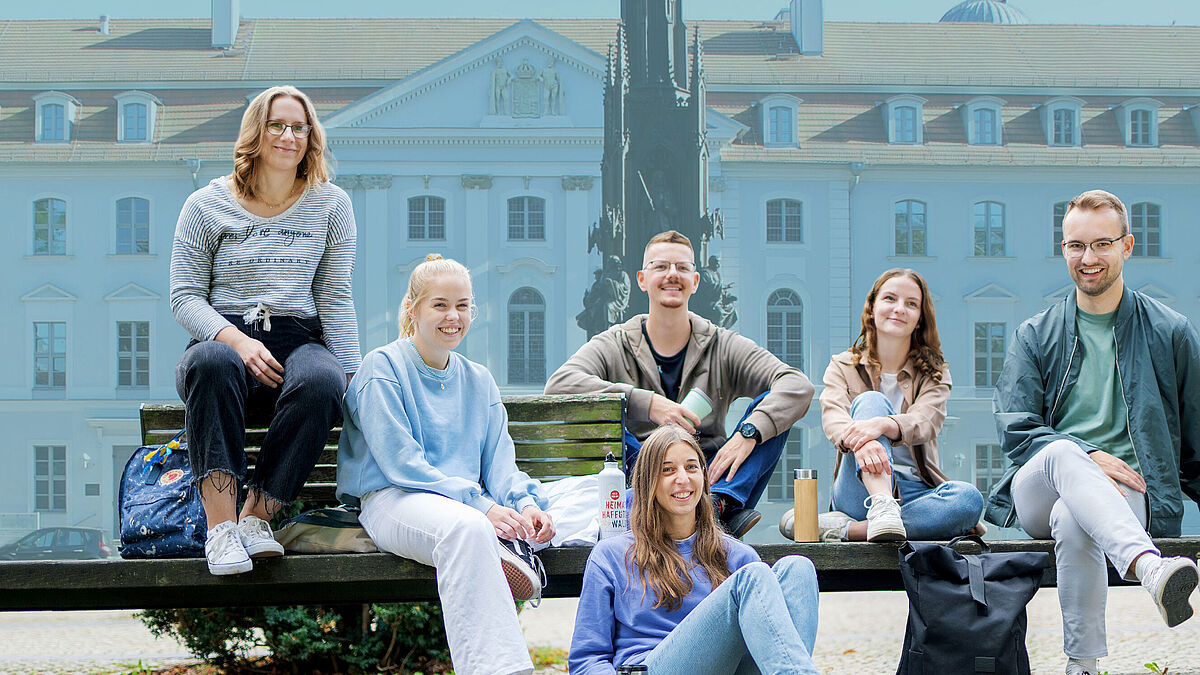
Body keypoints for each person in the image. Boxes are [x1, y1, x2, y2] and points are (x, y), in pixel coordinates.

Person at [987, 190, 1200, 675]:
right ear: (1063, 249)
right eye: (1075, 246)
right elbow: (1017, 431)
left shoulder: (1172, 332)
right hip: (1039, 483)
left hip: (1129, 494)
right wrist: (1088, 454)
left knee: (1073, 517)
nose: (1088, 258)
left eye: (1101, 244)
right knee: (1064, 456)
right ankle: (1150, 568)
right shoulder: (1035, 334)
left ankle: (1081, 665)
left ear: (1127, 247)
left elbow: (1197, 438)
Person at [170, 85, 358, 576]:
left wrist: (355, 380)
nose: (288, 135)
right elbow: (184, 297)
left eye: (300, 127)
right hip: (223, 344)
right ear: (257, 132)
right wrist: (236, 340)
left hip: (299, 338)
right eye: (277, 124)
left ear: (311, 137)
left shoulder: (332, 206)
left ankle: (256, 519)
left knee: (323, 379)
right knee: (211, 363)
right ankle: (221, 531)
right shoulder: (206, 204)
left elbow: (335, 296)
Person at [337, 254, 554, 675]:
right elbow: (402, 464)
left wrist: (526, 504)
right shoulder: (382, 368)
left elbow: (500, 465)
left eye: (463, 305)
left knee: (473, 528)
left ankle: (499, 552)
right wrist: (481, 505)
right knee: (468, 529)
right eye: (439, 304)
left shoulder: (479, 380)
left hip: (464, 507)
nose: (453, 316)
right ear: (412, 309)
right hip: (393, 499)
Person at [546, 230, 814, 538]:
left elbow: (796, 386)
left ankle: (714, 508)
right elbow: (559, 387)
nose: (672, 274)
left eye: (682, 268)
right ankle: (679, 511)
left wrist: (748, 434)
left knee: (770, 415)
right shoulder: (616, 342)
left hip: (710, 477)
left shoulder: (721, 345)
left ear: (695, 281)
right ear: (641, 279)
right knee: (608, 424)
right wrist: (646, 404)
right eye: (661, 266)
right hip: (644, 472)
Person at [569, 424, 820, 675]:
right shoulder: (611, 555)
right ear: (647, 482)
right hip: (651, 667)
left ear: (704, 475)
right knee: (752, 577)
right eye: (667, 470)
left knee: (798, 568)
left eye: (691, 467)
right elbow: (586, 660)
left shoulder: (738, 556)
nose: (683, 478)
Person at [819, 268, 984, 542]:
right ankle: (882, 506)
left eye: (911, 304)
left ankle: (850, 530)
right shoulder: (843, 365)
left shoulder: (935, 372)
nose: (899, 309)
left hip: (915, 492)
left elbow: (927, 421)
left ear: (920, 318)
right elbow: (834, 418)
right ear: (871, 308)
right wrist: (867, 440)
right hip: (857, 488)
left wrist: (884, 424)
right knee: (871, 401)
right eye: (889, 299)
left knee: (968, 500)